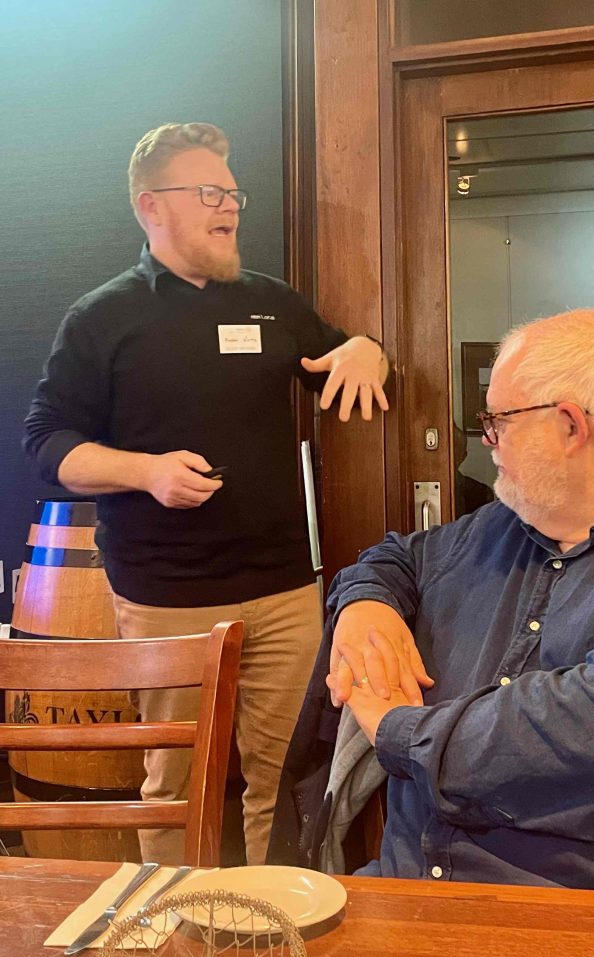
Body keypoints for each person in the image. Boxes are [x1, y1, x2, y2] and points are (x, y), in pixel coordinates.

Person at [272, 308, 594, 893]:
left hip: (588, 923)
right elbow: (398, 556)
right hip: (403, 893)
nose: (487, 440)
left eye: (498, 420)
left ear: (570, 426)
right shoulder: (508, 524)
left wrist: (396, 728)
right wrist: (365, 604)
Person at [23, 121, 389, 866]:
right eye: (209, 193)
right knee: (177, 783)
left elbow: (340, 354)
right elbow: (46, 443)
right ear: (151, 206)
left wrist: (367, 350)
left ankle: (273, 918)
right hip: (168, 596)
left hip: (286, 591)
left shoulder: (272, 303)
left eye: (232, 193)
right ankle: (173, 921)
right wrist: (146, 472)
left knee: (283, 779)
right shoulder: (102, 317)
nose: (230, 207)